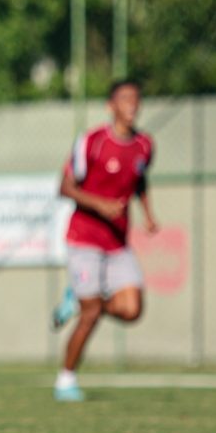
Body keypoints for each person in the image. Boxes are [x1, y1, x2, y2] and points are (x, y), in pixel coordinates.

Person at [51, 79, 156, 402]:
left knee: (131, 309)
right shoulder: (92, 142)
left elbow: (139, 181)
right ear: (111, 105)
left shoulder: (144, 146)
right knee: (91, 313)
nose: (131, 105)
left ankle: (80, 298)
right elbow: (65, 187)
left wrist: (149, 214)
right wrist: (100, 204)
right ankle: (65, 380)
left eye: (136, 98)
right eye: (124, 98)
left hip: (117, 241)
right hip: (84, 238)